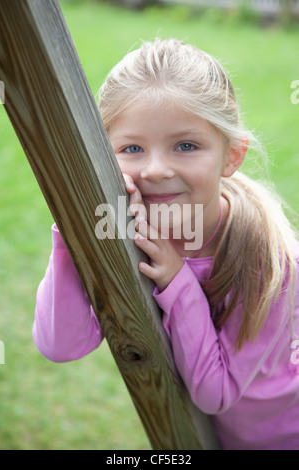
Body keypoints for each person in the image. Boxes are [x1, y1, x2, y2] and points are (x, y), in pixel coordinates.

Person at [33, 38, 299, 450]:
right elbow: (61, 345)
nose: (156, 170)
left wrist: (179, 281)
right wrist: (74, 234)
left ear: (231, 156)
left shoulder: (267, 260)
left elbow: (217, 392)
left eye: (186, 146)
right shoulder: (123, 226)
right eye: (132, 148)